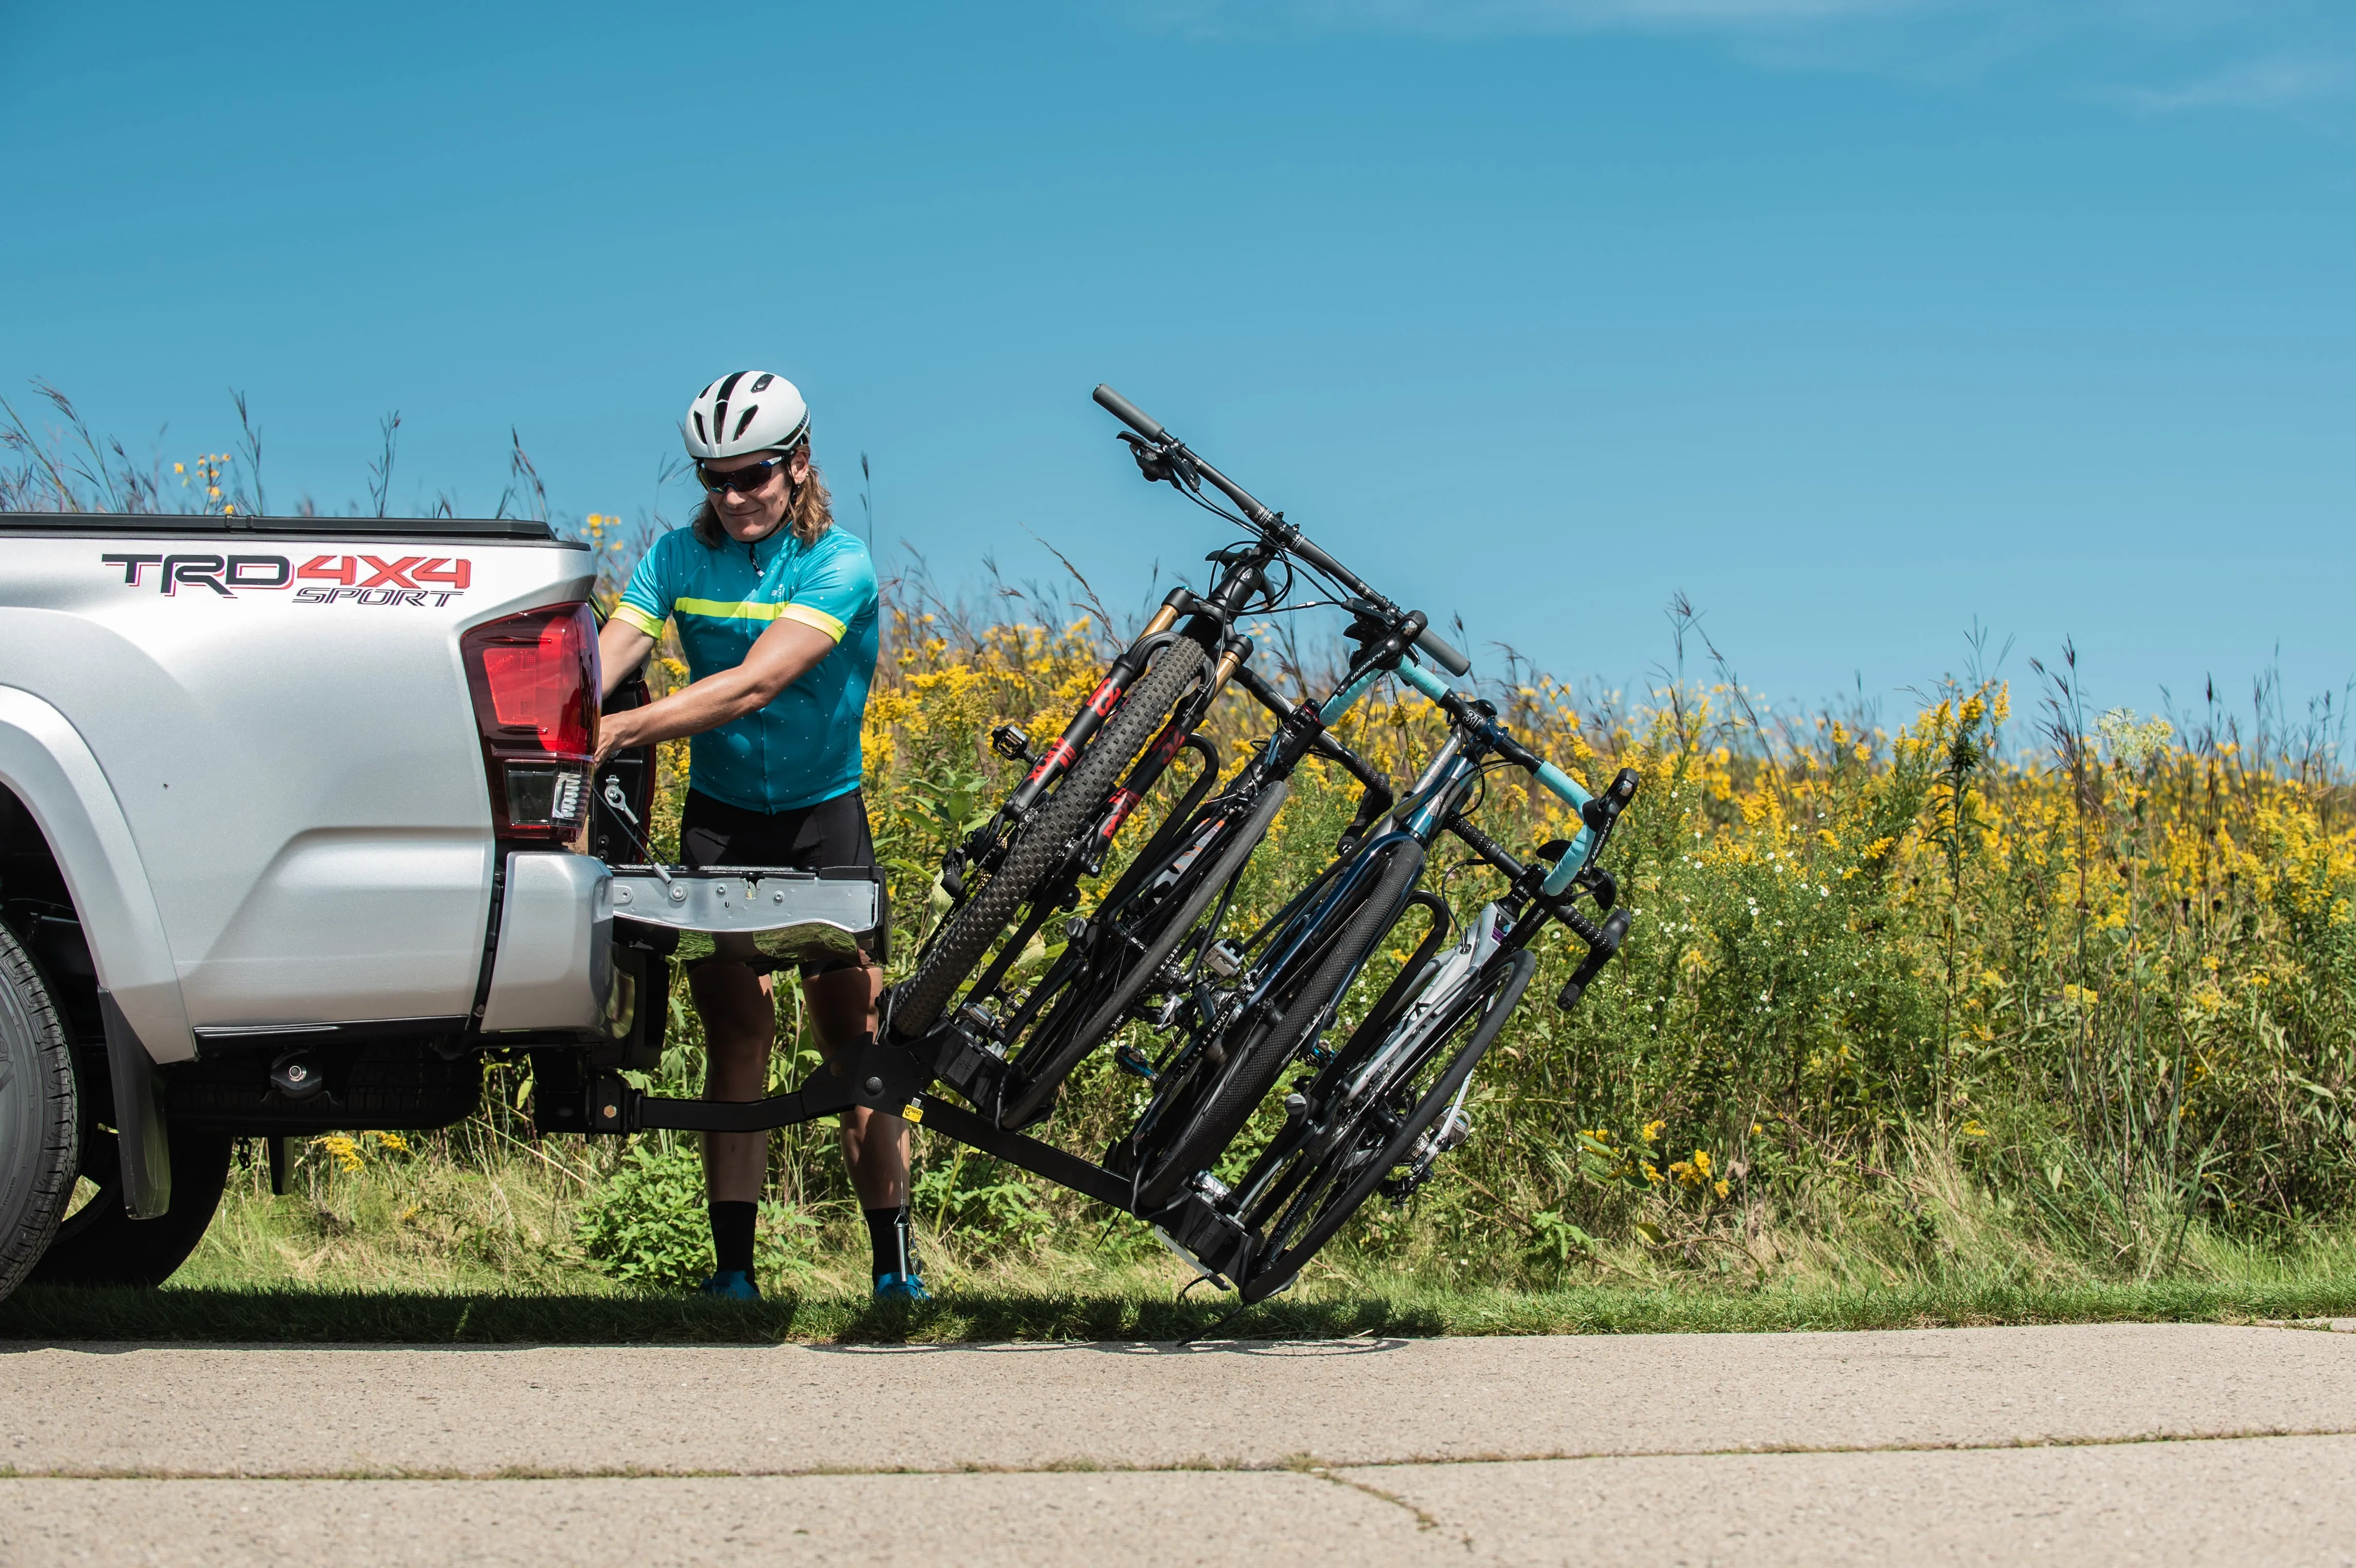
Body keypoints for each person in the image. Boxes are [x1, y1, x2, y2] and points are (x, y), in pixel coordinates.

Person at [594, 370, 921, 1303]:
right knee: (737, 1036)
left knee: (854, 1049)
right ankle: (733, 1273)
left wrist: (614, 729)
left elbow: (755, 683)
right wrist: (566, 703)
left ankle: (893, 1272)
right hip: (723, 824)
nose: (735, 497)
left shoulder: (839, 561)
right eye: (715, 480)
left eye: (754, 476)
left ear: (800, 463)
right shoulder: (672, 559)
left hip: (824, 818)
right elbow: (611, 656)